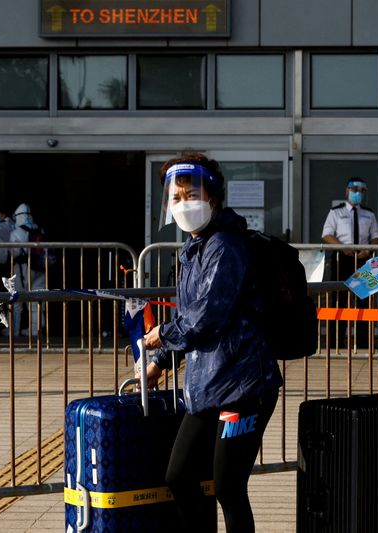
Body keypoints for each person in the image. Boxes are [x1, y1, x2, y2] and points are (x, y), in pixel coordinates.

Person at [141, 153, 283, 533]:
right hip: (207, 384)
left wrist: (162, 336)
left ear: (214, 198)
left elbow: (207, 317)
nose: (184, 204)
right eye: (176, 197)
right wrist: (162, 363)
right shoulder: (195, 247)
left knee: (229, 486)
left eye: (192, 195)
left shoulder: (225, 246)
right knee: (180, 475)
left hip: (243, 385)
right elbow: (192, 316)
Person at [321, 177, 378, 347]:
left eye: (362, 191)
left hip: (362, 259)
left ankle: (363, 344)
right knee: (339, 302)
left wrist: (368, 249)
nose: (358, 193)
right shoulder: (336, 212)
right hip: (342, 260)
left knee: (363, 302)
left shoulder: (369, 214)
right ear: (347, 191)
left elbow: (376, 237)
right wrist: (342, 248)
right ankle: (335, 344)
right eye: (354, 190)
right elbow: (326, 234)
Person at [9, 203, 51, 335]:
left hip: (22, 270)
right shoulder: (39, 230)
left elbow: (13, 253)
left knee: (17, 301)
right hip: (40, 268)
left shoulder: (16, 232)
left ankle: (14, 330)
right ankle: (35, 330)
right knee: (36, 300)